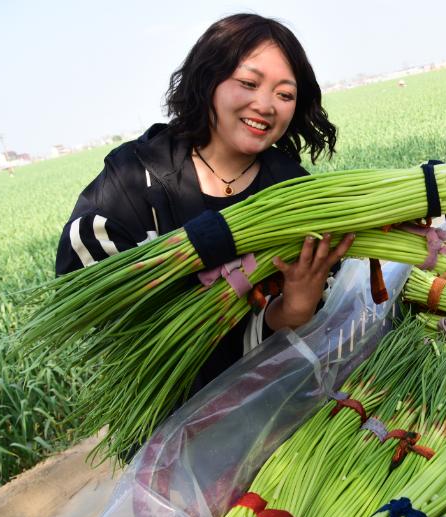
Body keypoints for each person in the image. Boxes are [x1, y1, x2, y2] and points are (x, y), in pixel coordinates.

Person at [55, 14, 353, 395]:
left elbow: (308, 318)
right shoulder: (139, 173)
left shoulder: (292, 191)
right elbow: (86, 280)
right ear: (209, 79)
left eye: (285, 94)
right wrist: (199, 253)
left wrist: (292, 312)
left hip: (262, 406)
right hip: (161, 411)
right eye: (248, 83)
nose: (265, 105)